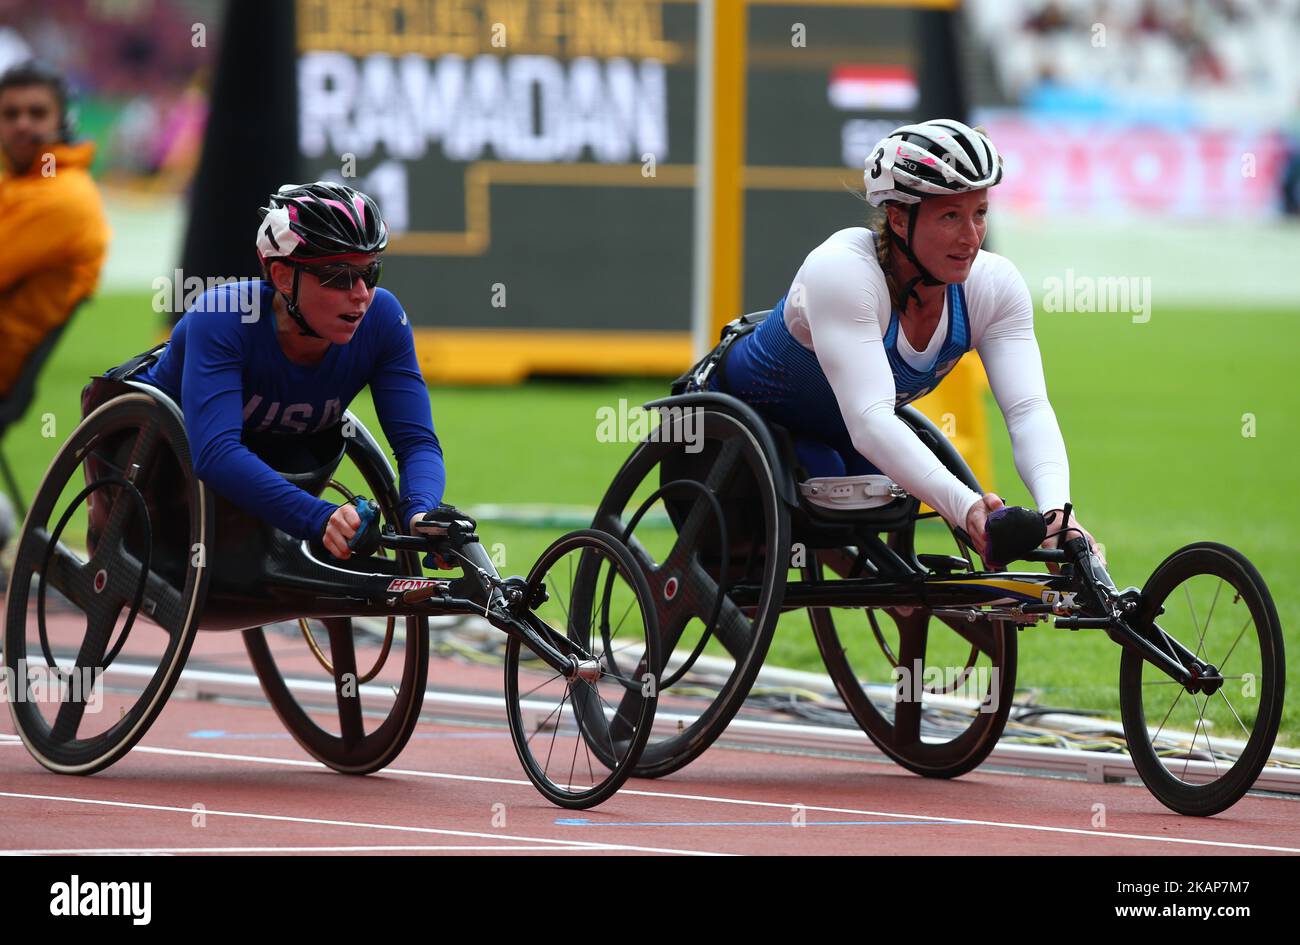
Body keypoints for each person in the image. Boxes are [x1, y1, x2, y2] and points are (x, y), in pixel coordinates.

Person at [707, 118, 1102, 565]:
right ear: (897, 217)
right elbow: (872, 420)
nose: (972, 238)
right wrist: (967, 507)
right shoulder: (843, 271)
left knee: (863, 481)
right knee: (832, 475)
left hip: (842, 439)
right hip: (743, 431)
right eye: (951, 215)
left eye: (980, 213)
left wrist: (1057, 513)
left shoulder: (995, 286)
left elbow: (1028, 409)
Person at [131, 181, 450, 560]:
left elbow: (416, 442)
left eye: (369, 273)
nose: (361, 294)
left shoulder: (383, 318)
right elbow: (215, 452)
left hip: (273, 461)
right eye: (338, 276)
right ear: (283, 277)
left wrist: (421, 513)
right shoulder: (222, 316)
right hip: (152, 468)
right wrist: (321, 518)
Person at [0, 60, 109, 396]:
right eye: (10, 114)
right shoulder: (24, 183)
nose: (22, 124)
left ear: (64, 121)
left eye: (36, 113)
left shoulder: (62, 195)